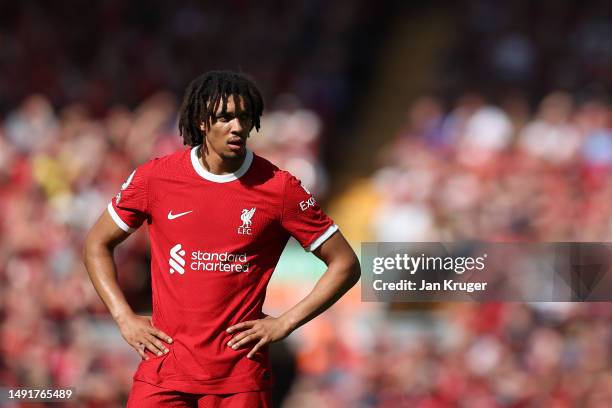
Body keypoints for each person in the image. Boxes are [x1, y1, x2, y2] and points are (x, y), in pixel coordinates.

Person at [83, 71, 361, 407]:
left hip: (239, 379)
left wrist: (286, 322)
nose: (238, 127)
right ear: (201, 121)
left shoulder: (279, 188)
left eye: (244, 117)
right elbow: (97, 243)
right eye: (226, 117)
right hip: (163, 370)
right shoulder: (156, 178)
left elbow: (345, 263)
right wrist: (123, 317)